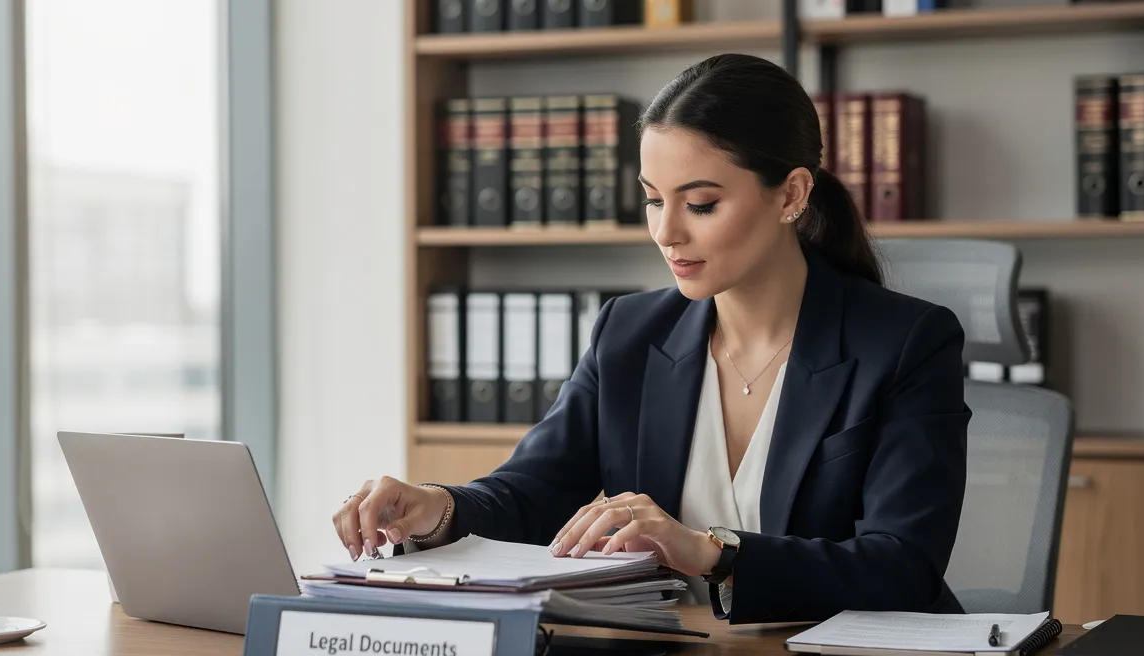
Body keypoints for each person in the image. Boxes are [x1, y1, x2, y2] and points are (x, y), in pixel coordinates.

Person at [332, 53, 971, 624]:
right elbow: (531, 492)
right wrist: (438, 507)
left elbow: (902, 564)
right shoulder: (630, 333)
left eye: (699, 204)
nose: (666, 233)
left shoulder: (908, 341)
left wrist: (711, 552)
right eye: (651, 199)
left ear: (791, 195)